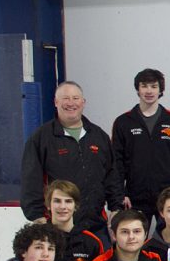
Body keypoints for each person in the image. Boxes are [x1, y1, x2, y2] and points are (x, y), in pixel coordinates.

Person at [21, 81, 122, 232]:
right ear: (56, 102)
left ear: (83, 102)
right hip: (58, 226)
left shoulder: (98, 136)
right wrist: (37, 216)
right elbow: (30, 180)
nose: (71, 103)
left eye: (75, 98)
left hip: (96, 224)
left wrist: (116, 207)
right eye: (65, 98)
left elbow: (112, 175)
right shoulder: (41, 138)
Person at [111, 68, 170, 226]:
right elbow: (116, 163)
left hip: (169, 197)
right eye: (144, 86)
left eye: (154, 86)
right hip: (135, 198)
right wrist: (119, 196)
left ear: (160, 90)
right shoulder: (123, 122)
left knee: (168, 242)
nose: (149, 91)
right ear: (137, 89)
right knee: (134, 242)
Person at [44, 180, 106, 261]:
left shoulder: (92, 243)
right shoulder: (37, 239)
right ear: (48, 205)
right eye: (57, 201)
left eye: (68, 201)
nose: (63, 206)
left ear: (75, 206)